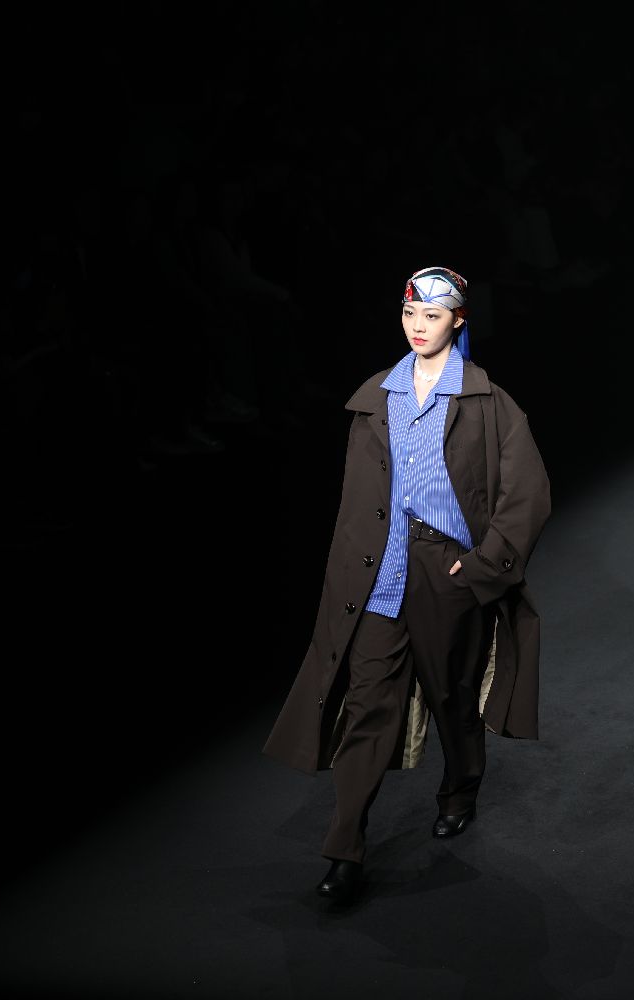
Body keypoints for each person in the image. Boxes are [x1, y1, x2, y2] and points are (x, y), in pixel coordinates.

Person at [262, 265, 551, 905]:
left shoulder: (487, 403)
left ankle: (461, 786)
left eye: (433, 316)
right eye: (410, 314)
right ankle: (344, 850)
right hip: (379, 569)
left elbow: (527, 494)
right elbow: (355, 501)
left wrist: (481, 565)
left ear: (458, 321)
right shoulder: (377, 398)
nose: (418, 327)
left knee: (450, 693)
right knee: (368, 705)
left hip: (445, 568)